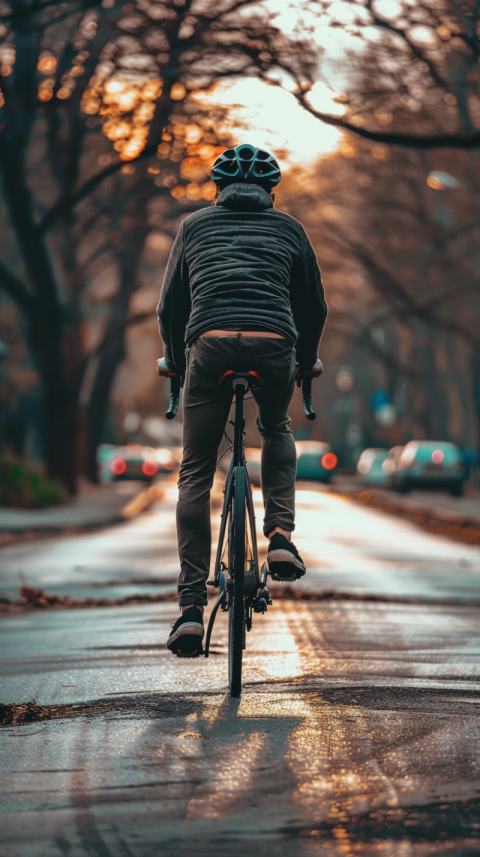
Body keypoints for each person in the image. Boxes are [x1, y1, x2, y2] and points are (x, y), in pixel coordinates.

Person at [157, 143, 327, 656]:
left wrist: (175, 360)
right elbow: (314, 306)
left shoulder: (193, 226)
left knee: (194, 469)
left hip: (207, 344)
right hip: (276, 341)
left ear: (218, 189)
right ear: (271, 191)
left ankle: (189, 608)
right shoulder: (291, 229)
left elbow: (169, 307)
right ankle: (279, 536)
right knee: (275, 428)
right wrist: (307, 360)